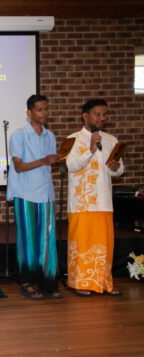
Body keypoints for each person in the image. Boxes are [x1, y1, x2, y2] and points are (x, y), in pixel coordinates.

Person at [66, 99, 124, 296]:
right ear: (85, 116)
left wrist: (116, 168)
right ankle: (81, 284)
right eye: (97, 114)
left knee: (105, 244)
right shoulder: (73, 139)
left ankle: (104, 282)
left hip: (104, 201)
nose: (102, 118)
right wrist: (90, 150)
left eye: (104, 115)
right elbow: (71, 166)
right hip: (82, 203)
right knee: (83, 243)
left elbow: (118, 169)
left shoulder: (111, 139)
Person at [7, 94, 59, 300]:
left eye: (46, 109)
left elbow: (49, 163)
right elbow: (18, 166)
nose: (43, 113)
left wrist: (53, 160)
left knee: (47, 240)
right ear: (29, 112)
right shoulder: (19, 135)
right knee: (28, 239)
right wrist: (44, 160)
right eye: (39, 109)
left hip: (46, 193)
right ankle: (28, 282)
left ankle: (48, 282)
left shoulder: (50, 136)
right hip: (26, 193)